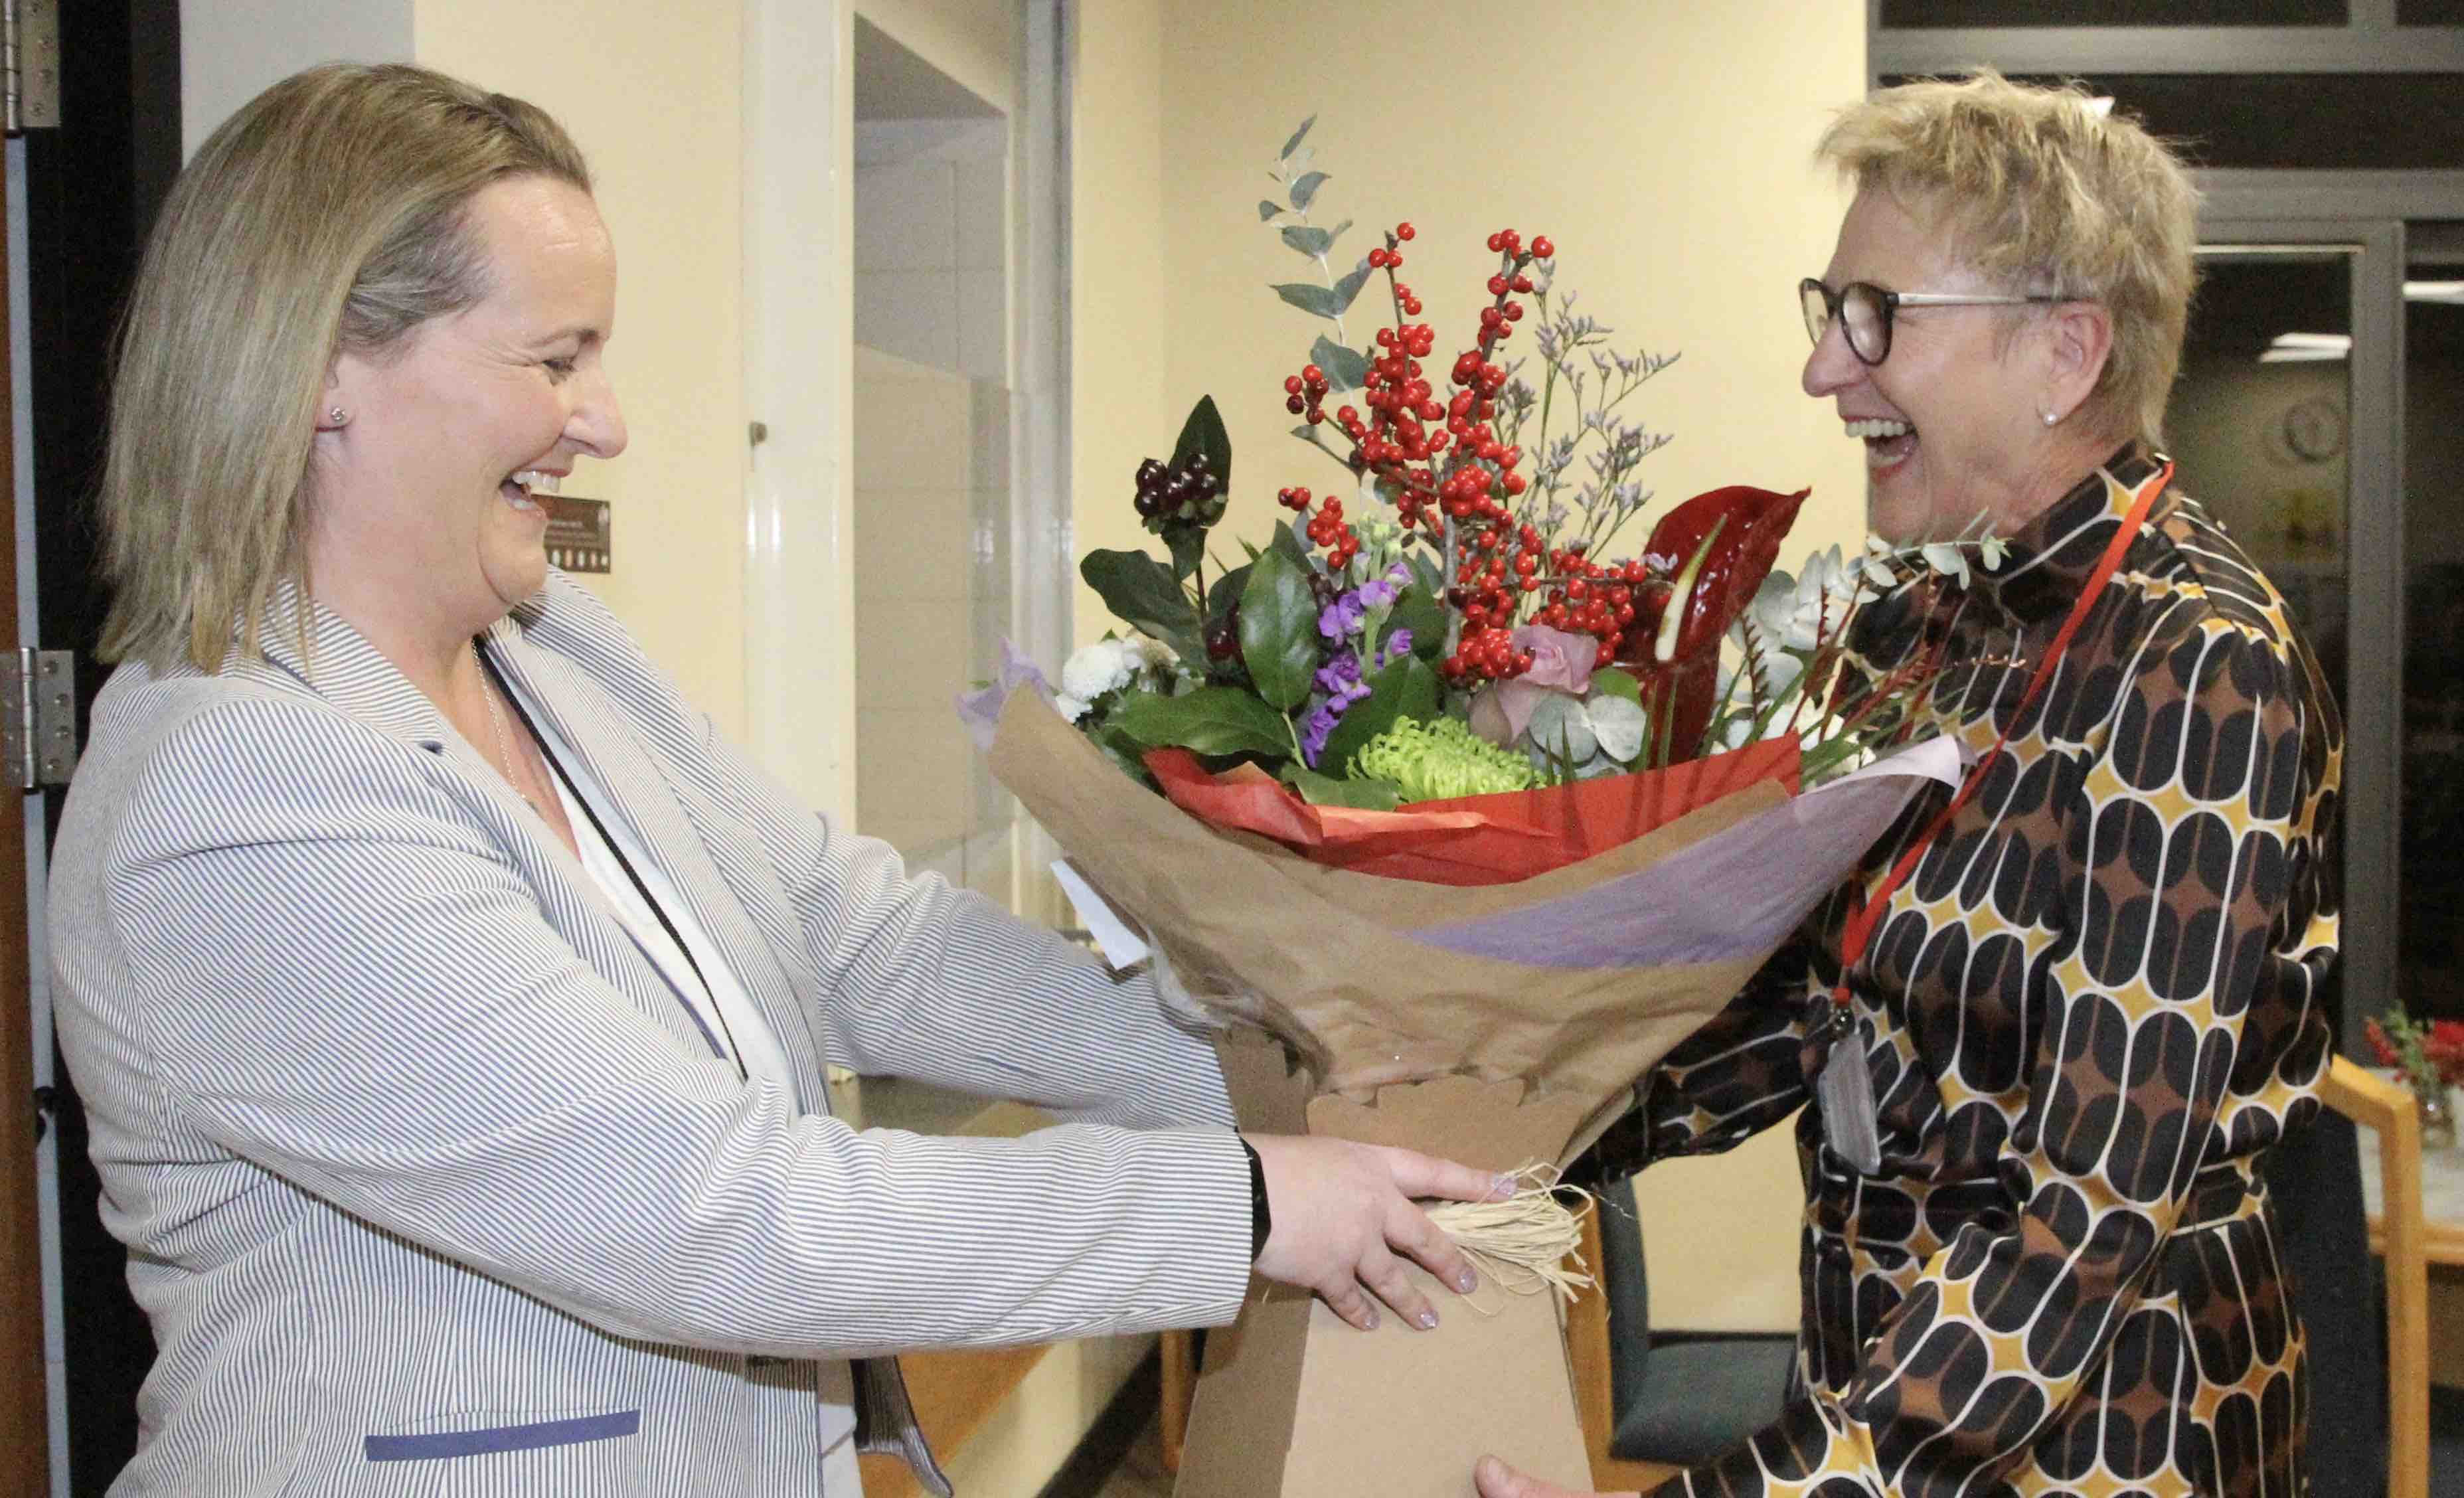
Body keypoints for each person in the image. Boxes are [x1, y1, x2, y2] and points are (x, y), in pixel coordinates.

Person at [49, 63, 1506, 1497]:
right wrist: (1240, 1201)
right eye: (553, 360)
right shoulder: (241, 791)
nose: (604, 421)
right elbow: (710, 1215)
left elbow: (863, 938)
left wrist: (1310, 1066)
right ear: (321, 374)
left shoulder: (555, 658)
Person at [1479, 72, 2341, 1498]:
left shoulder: (2195, 663)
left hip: (2102, 1446)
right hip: (1880, 1399)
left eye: (1876, 317)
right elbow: (1806, 1014)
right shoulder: (1921, 623)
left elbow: (2079, 1225)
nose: (1826, 370)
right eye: (1826, 312)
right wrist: (1500, 1138)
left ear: (2065, 352)